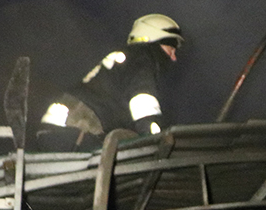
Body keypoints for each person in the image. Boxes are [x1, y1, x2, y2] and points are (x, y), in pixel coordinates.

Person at [35, 13, 183, 151]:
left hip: (61, 125)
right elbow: (143, 100)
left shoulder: (125, 58)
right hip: (80, 127)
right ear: (156, 39)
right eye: (171, 49)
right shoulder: (142, 57)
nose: (174, 57)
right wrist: (154, 137)